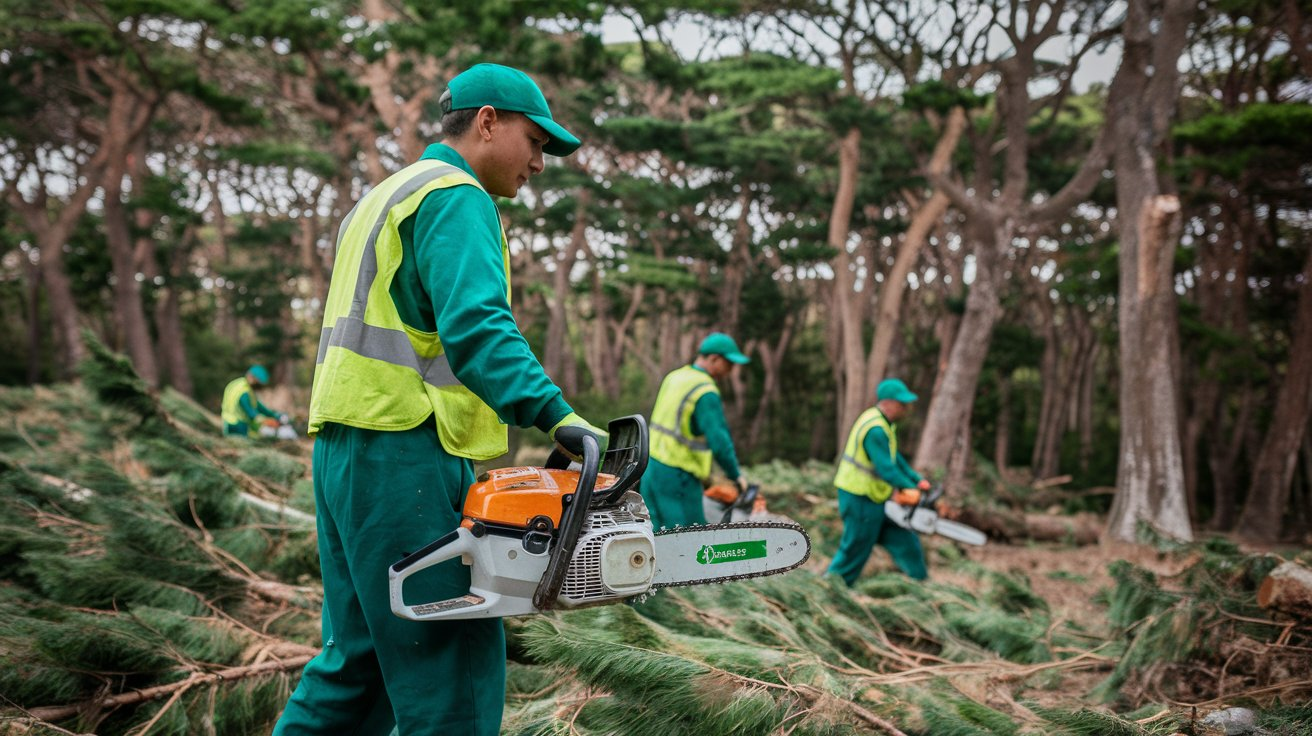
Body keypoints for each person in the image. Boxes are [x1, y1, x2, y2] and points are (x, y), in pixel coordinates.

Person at [272, 64, 606, 736]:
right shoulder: (457, 196)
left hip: (347, 454)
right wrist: (558, 416)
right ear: (487, 121)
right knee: (450, 677)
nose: (539, 164)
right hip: (407, 458)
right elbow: (478, 326)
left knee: (357, 668)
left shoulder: (385, 195)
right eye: (535, 143)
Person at [642, 332, 750, 530]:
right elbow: (719, 442)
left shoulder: (675, 377)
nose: (731, 370)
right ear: (714, 359)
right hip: (678, 476)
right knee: (692, 540)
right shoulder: (704, 391)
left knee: (655, 537)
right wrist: (736, 476)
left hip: (651, 468)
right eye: (729, 364)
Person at [827, 378, 931, 584]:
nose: (906, 408)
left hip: (874, 498)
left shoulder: (884, 424)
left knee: (905, 540)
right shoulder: (875, 429)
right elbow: (887, 470)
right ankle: (832, 589)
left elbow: (894, 458)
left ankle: (920, 584)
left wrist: (916, 480)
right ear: (888, 403)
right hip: (859, 497)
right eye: (902, 404)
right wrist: (910, 489)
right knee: (855, 549)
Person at [220, 364, 286, 437]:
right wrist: (267, 421)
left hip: (228, 422)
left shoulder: (238, 384)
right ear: (254, 379)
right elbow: (250, 411)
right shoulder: (244, 391)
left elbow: (257, 406)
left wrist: (274, 415)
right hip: (238, 425)